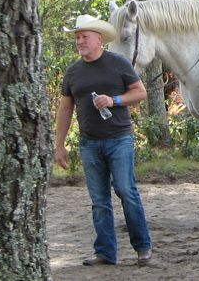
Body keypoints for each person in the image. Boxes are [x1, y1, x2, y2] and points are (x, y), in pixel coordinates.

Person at [54, 14, 153, 267]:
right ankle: (105, 253)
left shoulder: (118, 63)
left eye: (84, 36)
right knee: (99, 200)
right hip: (89, 143)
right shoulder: (73, 72)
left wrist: (114, 100)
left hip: (119, 138)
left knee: (125, 191)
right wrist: (59, 144)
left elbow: (140, 92)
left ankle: (143, 248)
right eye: (77, 37)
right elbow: (65, 109)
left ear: (99, 39)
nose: (80, 41)